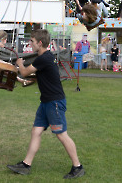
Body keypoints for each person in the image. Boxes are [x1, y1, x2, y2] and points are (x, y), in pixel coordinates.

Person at [7, 29, 84, 179]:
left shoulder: (44, 58)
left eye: (32, 42)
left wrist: (19, 64)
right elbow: (38, 77)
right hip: (46, 103)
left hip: (54, 103)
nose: (30, 44)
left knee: (62, 135)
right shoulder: (44, 58)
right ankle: (26, 165)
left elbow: (24, 72)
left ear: (40, 43)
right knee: (36, 132)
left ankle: (78, 167)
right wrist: (25, 80)